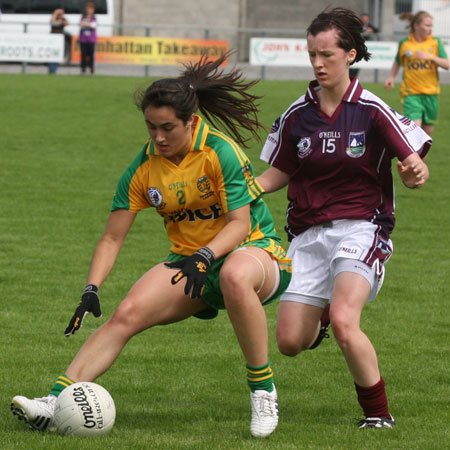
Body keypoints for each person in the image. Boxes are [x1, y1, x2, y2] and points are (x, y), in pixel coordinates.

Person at [10, 52, 291, 438]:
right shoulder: (143, 168)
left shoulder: (220, 152)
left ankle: (263, 391)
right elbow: (112, 237)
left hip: (255, 252)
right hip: (191, 263)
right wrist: (91, 288)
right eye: (151, 127)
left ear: (191, 121)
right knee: (126, 313)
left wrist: (207, 255)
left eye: (168, 128)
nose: (158, 137)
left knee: (236, 275)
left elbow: (240, 224)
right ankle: (53, 401)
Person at [257, 7, 431, 429]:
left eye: (327, 55)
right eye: (312, 54)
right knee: (289, 343)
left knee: (345, 322)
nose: (318, 63)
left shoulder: (371, 110)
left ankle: (377, 414)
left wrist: (414, 173)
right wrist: (243, 191)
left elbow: (413, 164)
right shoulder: (297, 115)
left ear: (350, 55)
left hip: (362, 228)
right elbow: (278, 171)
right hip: (307, 235)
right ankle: (320, 312)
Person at [384, 11, 449, 137]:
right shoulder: (405, 43)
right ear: (417, 26)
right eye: (427, 25)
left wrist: (430, 57)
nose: (430, 29)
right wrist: (391, 76)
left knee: (426, 137)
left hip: (431, 95)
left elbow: (447, 64)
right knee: (415, 133)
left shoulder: (435, 42)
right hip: (411, 94)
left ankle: (418, 158)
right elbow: (398, 61)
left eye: (431, 26)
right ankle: (408, 156)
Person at [349, 12, 378, 78]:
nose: (365, 20)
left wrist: (371, 30)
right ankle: (351, 76)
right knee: (355, 64)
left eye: (366, 19)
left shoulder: (370, 26)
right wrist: (364, 32)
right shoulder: (357, 26)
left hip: (367, 46)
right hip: (358, 46)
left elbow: (377, 30)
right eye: (363, 18)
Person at [48, 9, 69, 74]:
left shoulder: (63, 19)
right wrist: (55, 13)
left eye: (61, 14)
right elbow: (51, 21)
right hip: (52, 39)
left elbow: (67, 23)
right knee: (51, 54)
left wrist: (61, 21)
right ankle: (51, 69)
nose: (60, 15)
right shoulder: (54, 17)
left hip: (60, 40)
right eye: (59, 14)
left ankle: (54, 69)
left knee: (57, 54)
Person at [79, 2, 97, 74]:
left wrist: (85, 24)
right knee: (83, 55)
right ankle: (83, 69)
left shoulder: (94, 18)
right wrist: (88, 25)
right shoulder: (83, 17)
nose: (89, 10)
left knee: (91, 55)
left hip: (91, 39)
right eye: (87, 9)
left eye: (90, 9)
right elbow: (81, 24)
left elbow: (93, 26)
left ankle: (91, 69)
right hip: (83, 39)